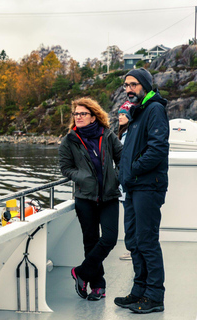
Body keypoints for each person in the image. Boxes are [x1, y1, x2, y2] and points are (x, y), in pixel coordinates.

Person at [115, 68, 169, 314]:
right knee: (133, 240)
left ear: (145, 86)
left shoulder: (154, 109)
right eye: (126, 85)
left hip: (148, 185)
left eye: (134, 84)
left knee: (146, 241)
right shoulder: (137, 112)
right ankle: (139, 290)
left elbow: (157, 149)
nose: (129, 89)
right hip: (134, 186)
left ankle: (154, 295)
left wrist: (134, 169)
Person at [59, 97, 122, 301]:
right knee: (91, 241)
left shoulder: (108, 135)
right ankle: (98, 285)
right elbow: (65, 168)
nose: (78, 117)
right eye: (76, 114)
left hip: (109, 195)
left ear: (93, 116)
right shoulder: (70, 140)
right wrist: (83, 178)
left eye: (82, 114)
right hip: (85, 198)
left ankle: (81, 273)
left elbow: (122, 159)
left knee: (110, 238)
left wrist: (116, 178)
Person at [117, 101, 132, 261]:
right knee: (129, 217)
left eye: (123, 114)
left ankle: (132, 250)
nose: (120, 117)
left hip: (126, 185)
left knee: (130, 218)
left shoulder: (129, 135)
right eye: (119, 114)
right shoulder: (123, 134)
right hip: (123, 185)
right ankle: (132, 248)